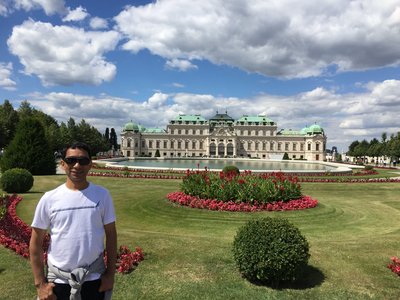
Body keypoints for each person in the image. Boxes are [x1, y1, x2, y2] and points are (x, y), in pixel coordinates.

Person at [29, 142, 117, 300]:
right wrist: (40, 284)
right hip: (58, 282)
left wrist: (110, 274)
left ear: (90, 164)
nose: (77, 165)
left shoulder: (103, 195)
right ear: (62, 164)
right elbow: (35, 242)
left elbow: (111, 236)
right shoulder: (49, 198)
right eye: (71, 160)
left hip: (94, 279)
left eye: (83, 161)